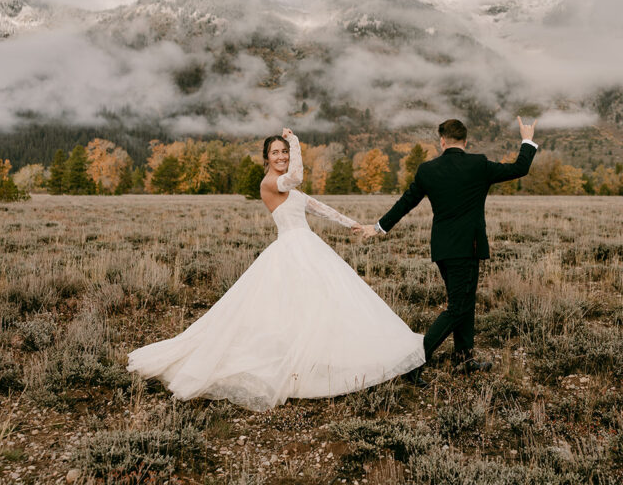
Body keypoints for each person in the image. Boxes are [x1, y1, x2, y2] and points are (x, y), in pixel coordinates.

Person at [127, 128, 425, 411]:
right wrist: (295, 143)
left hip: (309, 247)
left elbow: (318, 208)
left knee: (323, 304)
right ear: (266, 158)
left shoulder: (289, 188)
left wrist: (352, 224)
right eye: (276, 153)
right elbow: (295, 176)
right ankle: (298, 363)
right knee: (295, 307)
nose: (281, 156)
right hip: (291, 250)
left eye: (284, 151)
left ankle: (321, 358)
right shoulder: (270, 183)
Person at [362, 117, 537, 386]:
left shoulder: (427, 170)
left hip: (443, 249)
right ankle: (414, 363)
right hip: (467, 249)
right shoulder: (478, 164)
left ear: (442, 141)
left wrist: (379, 227)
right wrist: (526, 138)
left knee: (464, 303)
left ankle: (464, 359)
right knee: (458, 306)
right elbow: (520, 168)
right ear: (465, 141)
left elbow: (405, 203)